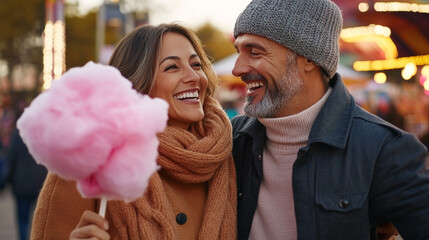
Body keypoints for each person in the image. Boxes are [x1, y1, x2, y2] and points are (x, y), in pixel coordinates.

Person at [230, 0, 429, 239]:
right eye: (238, 51)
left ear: (309, 58)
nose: (237, 69)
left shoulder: (383, 149)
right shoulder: (230, 140)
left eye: (254, 52)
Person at [30, 23, 236, 239]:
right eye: (172, 67)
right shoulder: (85, 161)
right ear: (136, 84)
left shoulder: (226, 152)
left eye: (196, 64)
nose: (194, 77)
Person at [1, 128, 47, 240]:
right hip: (40, 184)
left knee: (23, 221)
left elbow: (11, 160)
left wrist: (4, 182)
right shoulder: (44, 134)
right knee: (40, 221)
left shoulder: (18, 134)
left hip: (21, 185)